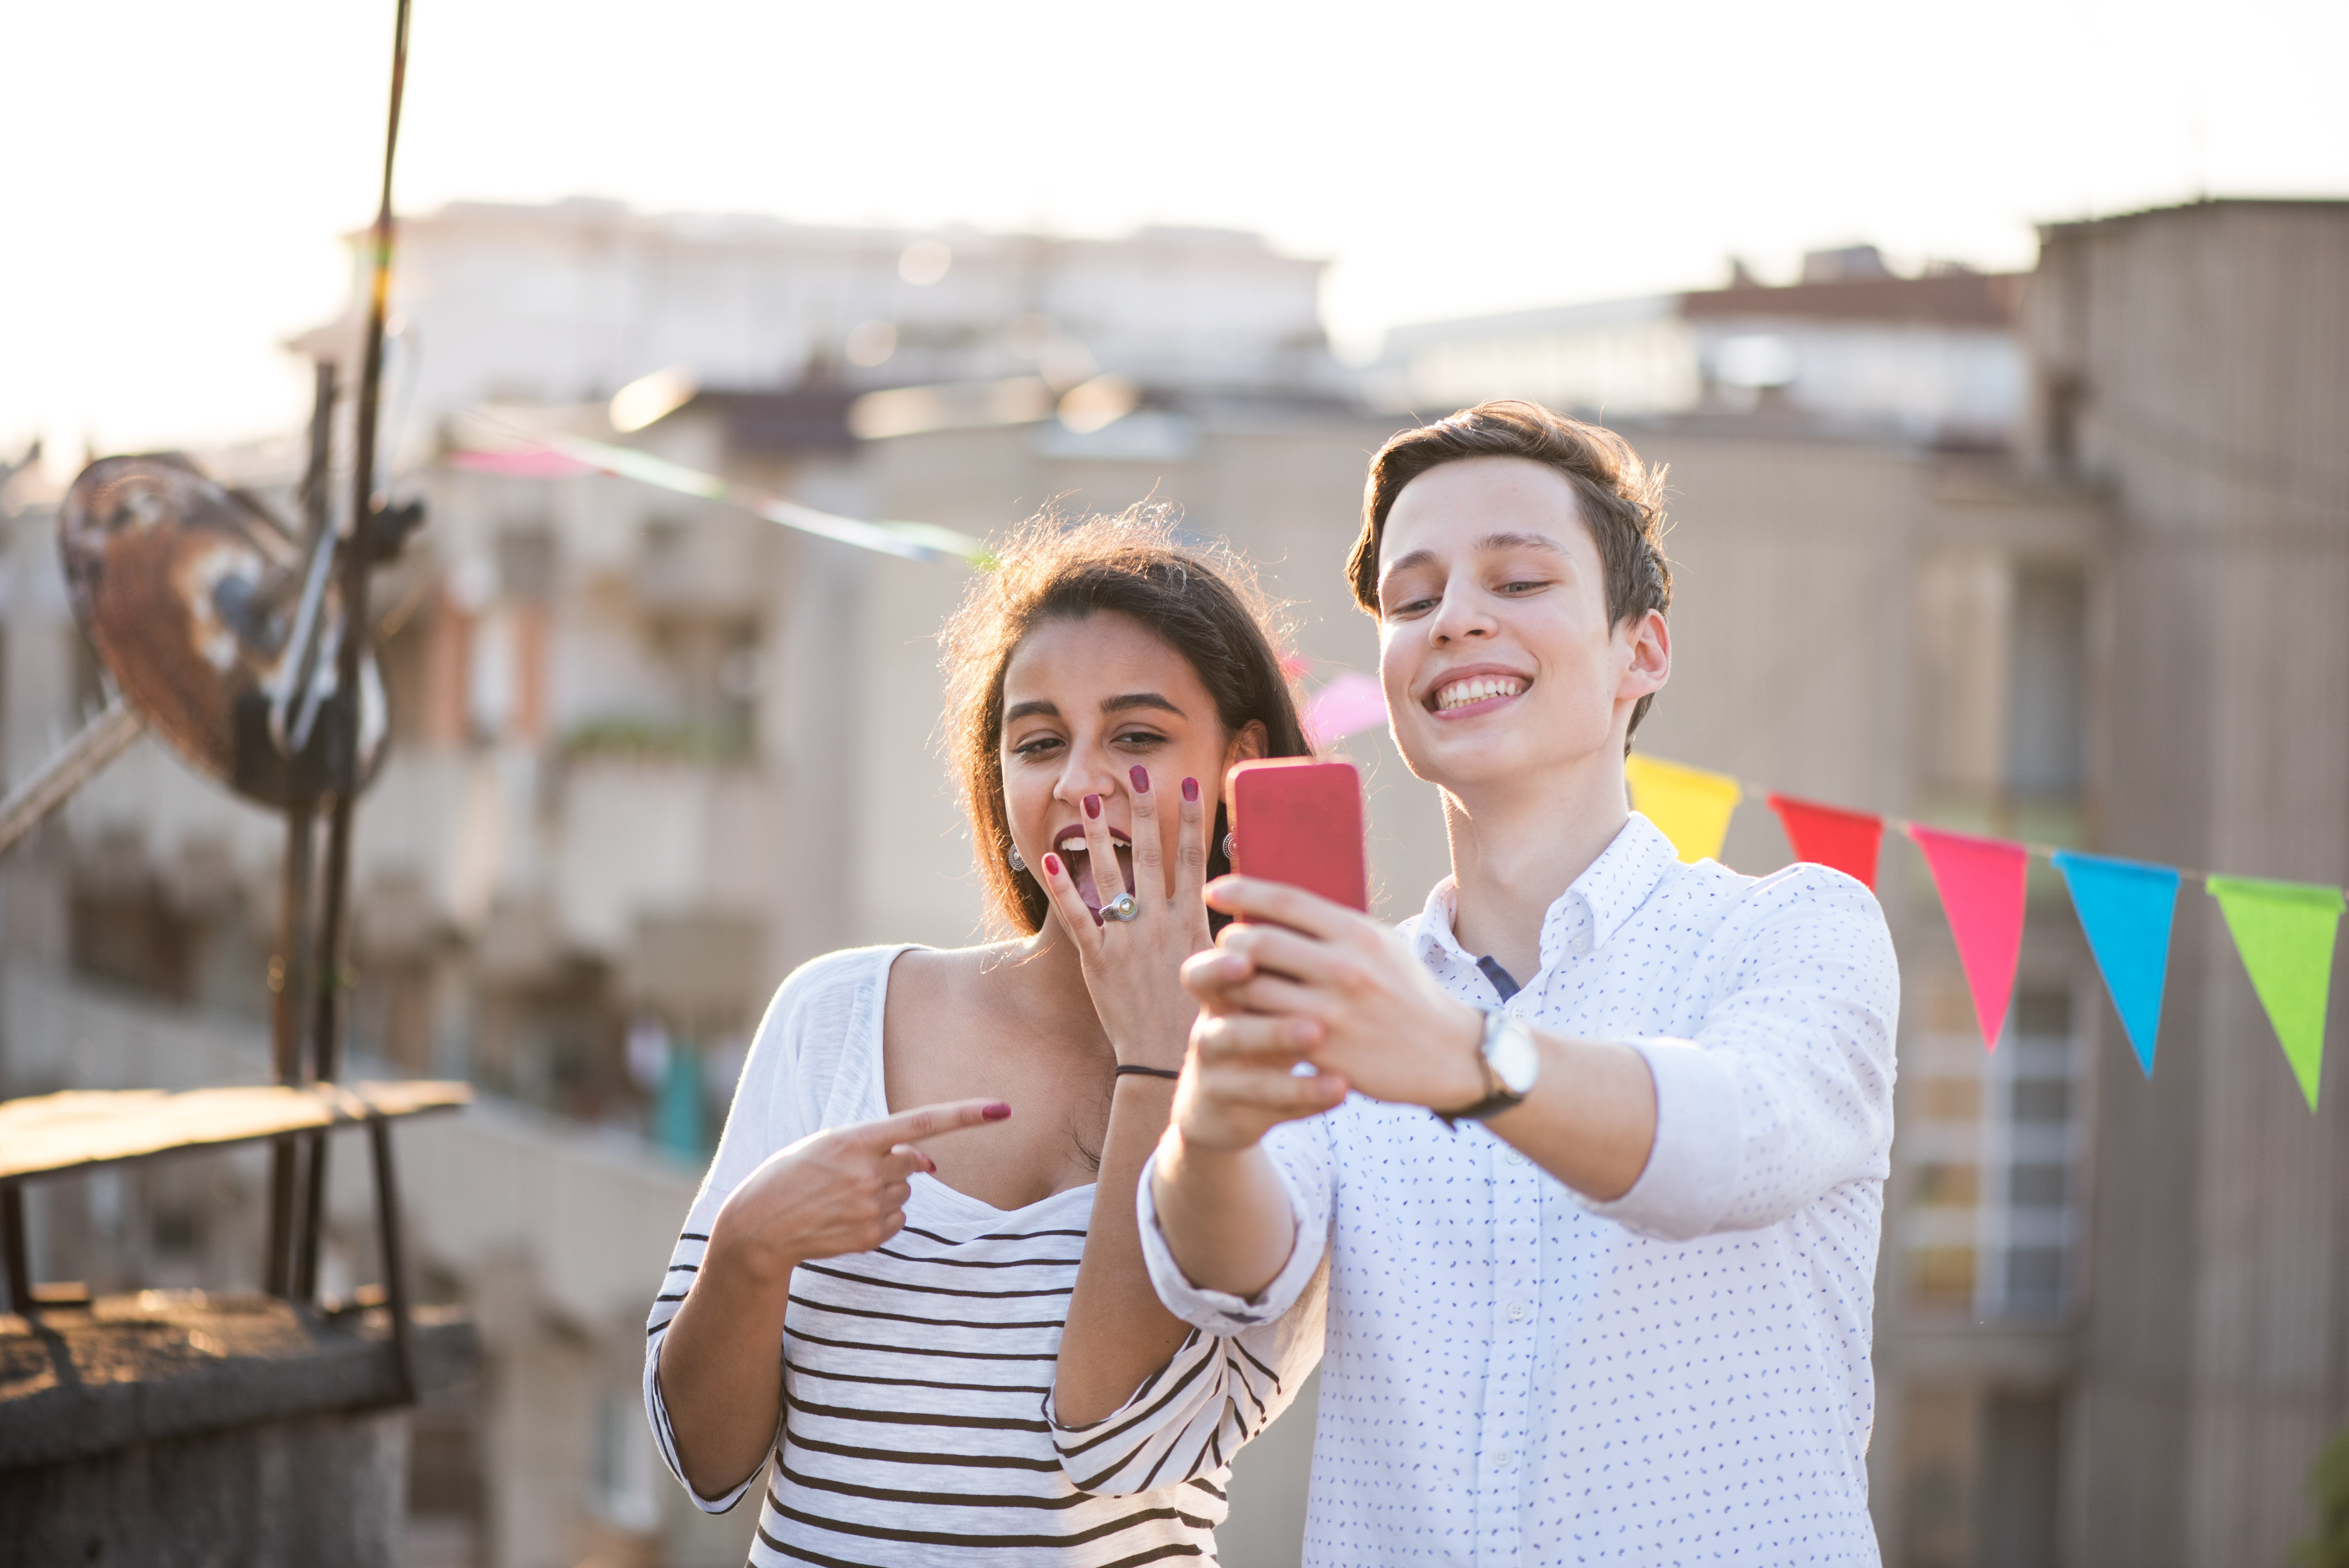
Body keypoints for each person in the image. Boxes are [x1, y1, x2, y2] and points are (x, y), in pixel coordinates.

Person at [1137, 401, 1900, 1564]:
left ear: (1640, 650)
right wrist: (1212, 1126)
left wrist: (1466, 1060)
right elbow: (1232, 1277)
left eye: (1520, 581)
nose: (1456, 620)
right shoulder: (1342, 980)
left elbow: (1737, 1144)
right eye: (1413, 598)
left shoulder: (1798, 927)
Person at [642, 509, 1326, 1567]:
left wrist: (1156, 1056)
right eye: (1040, 742)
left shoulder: (1293, 1079)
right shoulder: (833, 1015)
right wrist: (750, 1248)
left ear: (1241, 766)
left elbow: (1117, 1438)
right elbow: (706, 1461)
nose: (1081, 782)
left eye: (1138, 736)